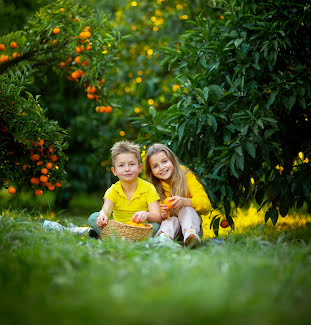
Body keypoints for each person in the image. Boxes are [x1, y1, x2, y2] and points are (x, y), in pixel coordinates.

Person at [88, 141, 162, 239]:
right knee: (93, 217)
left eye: (131, 164)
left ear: (139, 168)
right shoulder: (112, 190)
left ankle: (109, 237)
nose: (127, 169)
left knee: (156, 226)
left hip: (140, 230)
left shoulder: (148, 188)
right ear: (114, 171)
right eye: (121, 165)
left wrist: (147, 215)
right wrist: (102, 216)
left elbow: (157, 217)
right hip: (119, 230)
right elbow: (106, 210)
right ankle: (119, 238)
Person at [145, 143, 212, 248]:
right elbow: (155, 217)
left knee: (187, 210)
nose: (161, 167)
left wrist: (186, 202)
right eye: (155, 166)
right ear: (151, 172)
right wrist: (163, 215)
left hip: (191, 227)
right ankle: (163, 240)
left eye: (164, 161)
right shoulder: (153, 189)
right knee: (170, 220)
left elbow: (206, 205)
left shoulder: (186, 176)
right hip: (172, 231)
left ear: (172, 161)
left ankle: (191, 237)